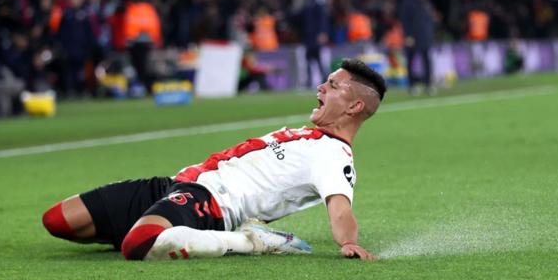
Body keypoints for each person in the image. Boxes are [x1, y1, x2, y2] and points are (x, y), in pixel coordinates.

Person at [42, 59, 385, 261]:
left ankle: (253, 241)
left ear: (355, 107)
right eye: (326, 81)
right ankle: (163, 228)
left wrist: (349, 242)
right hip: (176, 184)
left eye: (334, 86)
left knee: (138, 244)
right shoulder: (309, 134)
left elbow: (340, 208)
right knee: (57, 220)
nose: (321, 88)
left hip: (212, 204)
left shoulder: (334, 156)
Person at [399, 0, 436, 96]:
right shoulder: (408, 2)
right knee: (411, 61)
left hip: (425, 36)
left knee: (427, 60)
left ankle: (428, 85)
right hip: (413, 37)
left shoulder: (425, 2)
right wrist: (408, 35)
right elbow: (405, 20)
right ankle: (412, 85)